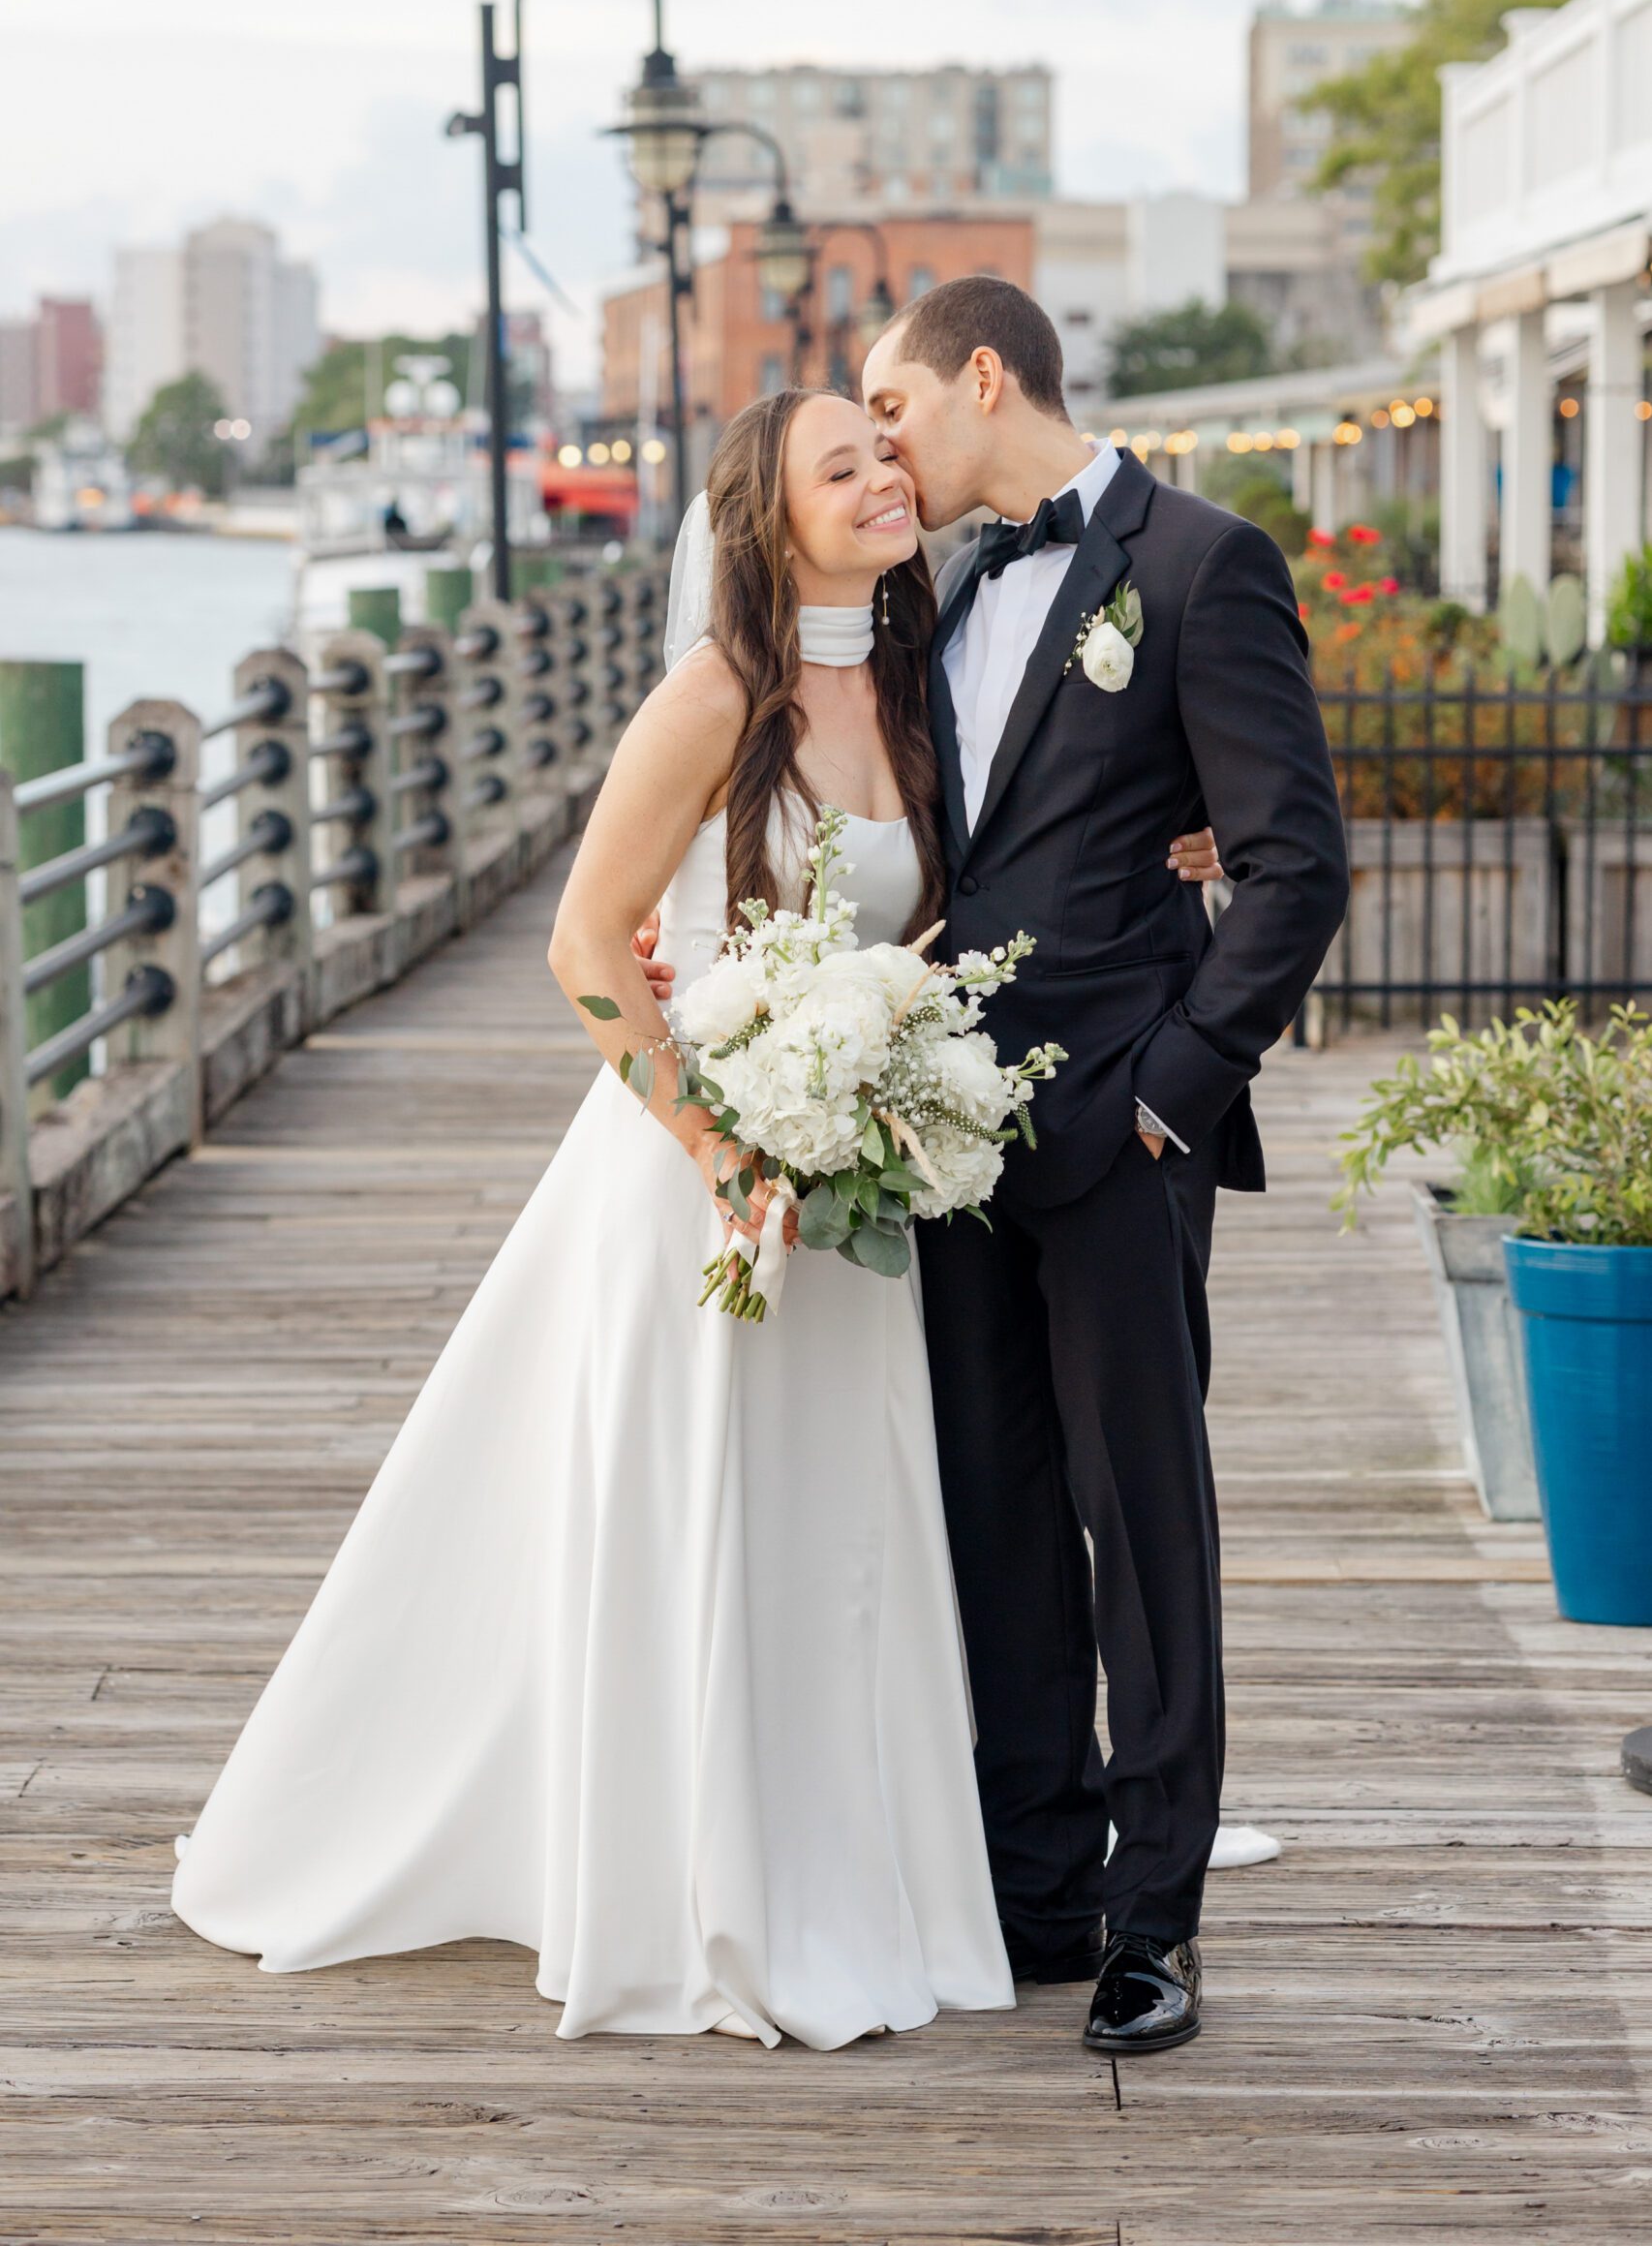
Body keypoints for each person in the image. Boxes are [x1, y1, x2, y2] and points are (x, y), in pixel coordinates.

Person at [169, 385, 1217, 2053]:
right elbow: (589, 941)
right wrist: (721, 1144)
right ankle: (696, 1858)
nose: (883, 475)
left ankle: (867, 1857)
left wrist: (1192, 831)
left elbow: (1014, 863)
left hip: (869, 1187)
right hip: (706, 1185)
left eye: (886, 451)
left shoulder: (920, 683)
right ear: (764, 516)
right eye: (840, 463)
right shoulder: (713, 697)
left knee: (859, 1536)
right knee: (710, 1511)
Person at [849, 276, 1349, 2053]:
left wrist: (1174, 1094)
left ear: (984, 375)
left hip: (1120, 1133)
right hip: (936, 1139)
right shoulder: (931, 588)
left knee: (1139, 1521)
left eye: (892, 410)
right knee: (991, 1512)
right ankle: (1038, 1889)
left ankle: (1157, 1920)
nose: (882, 451)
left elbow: (1292, 867)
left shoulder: (1206, 566)